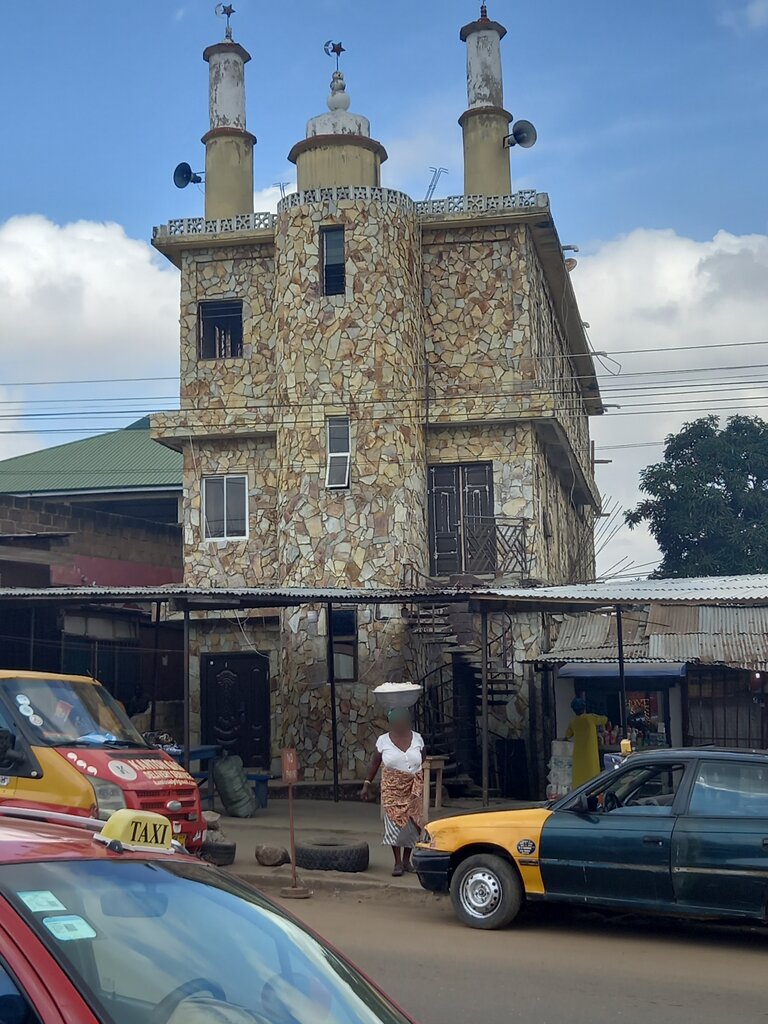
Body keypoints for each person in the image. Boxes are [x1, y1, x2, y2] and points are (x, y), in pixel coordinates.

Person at [360, 707, 425, 877]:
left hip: (413, 788)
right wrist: (367, 784)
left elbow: (422, 758)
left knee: (413, 824)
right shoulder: (383, 741)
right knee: (394, 824)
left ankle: (406, 860)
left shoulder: (417, 738)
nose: (401, 725)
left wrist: (411, 773)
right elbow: (375, 764)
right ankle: (397, 862)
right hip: (392, 789)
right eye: (397, 722)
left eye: (404, 721)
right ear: (392, 724)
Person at [565, 697, 608, 788]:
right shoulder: (591, 718)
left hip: (578, 757)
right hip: (590, 756)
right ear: (584, 707)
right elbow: (605, 719)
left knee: (579, 783)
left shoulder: (573, 722)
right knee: (593, 782)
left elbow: (567, 735)